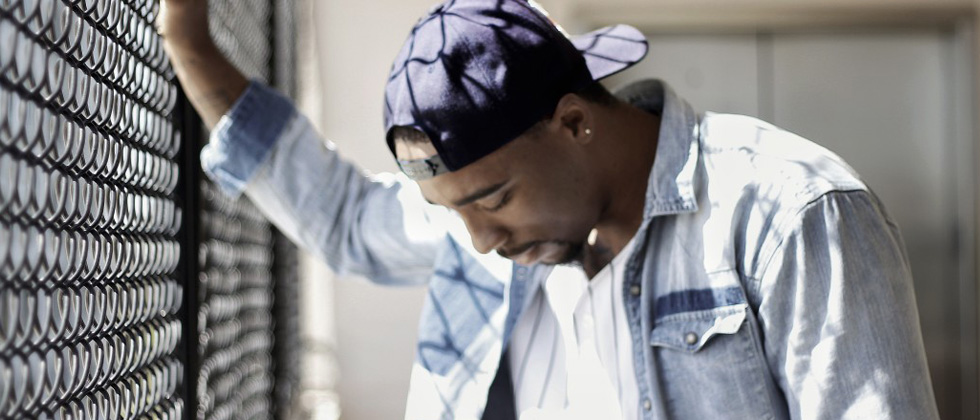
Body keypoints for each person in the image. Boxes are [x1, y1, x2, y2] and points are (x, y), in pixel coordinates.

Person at [159, 0, 940, 418]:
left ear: (572, 122)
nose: (481, 241)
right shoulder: (493, 226)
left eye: (494, 198)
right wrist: (184, 34)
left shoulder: (787, 211)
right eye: (451, 209)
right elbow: (339, 218)